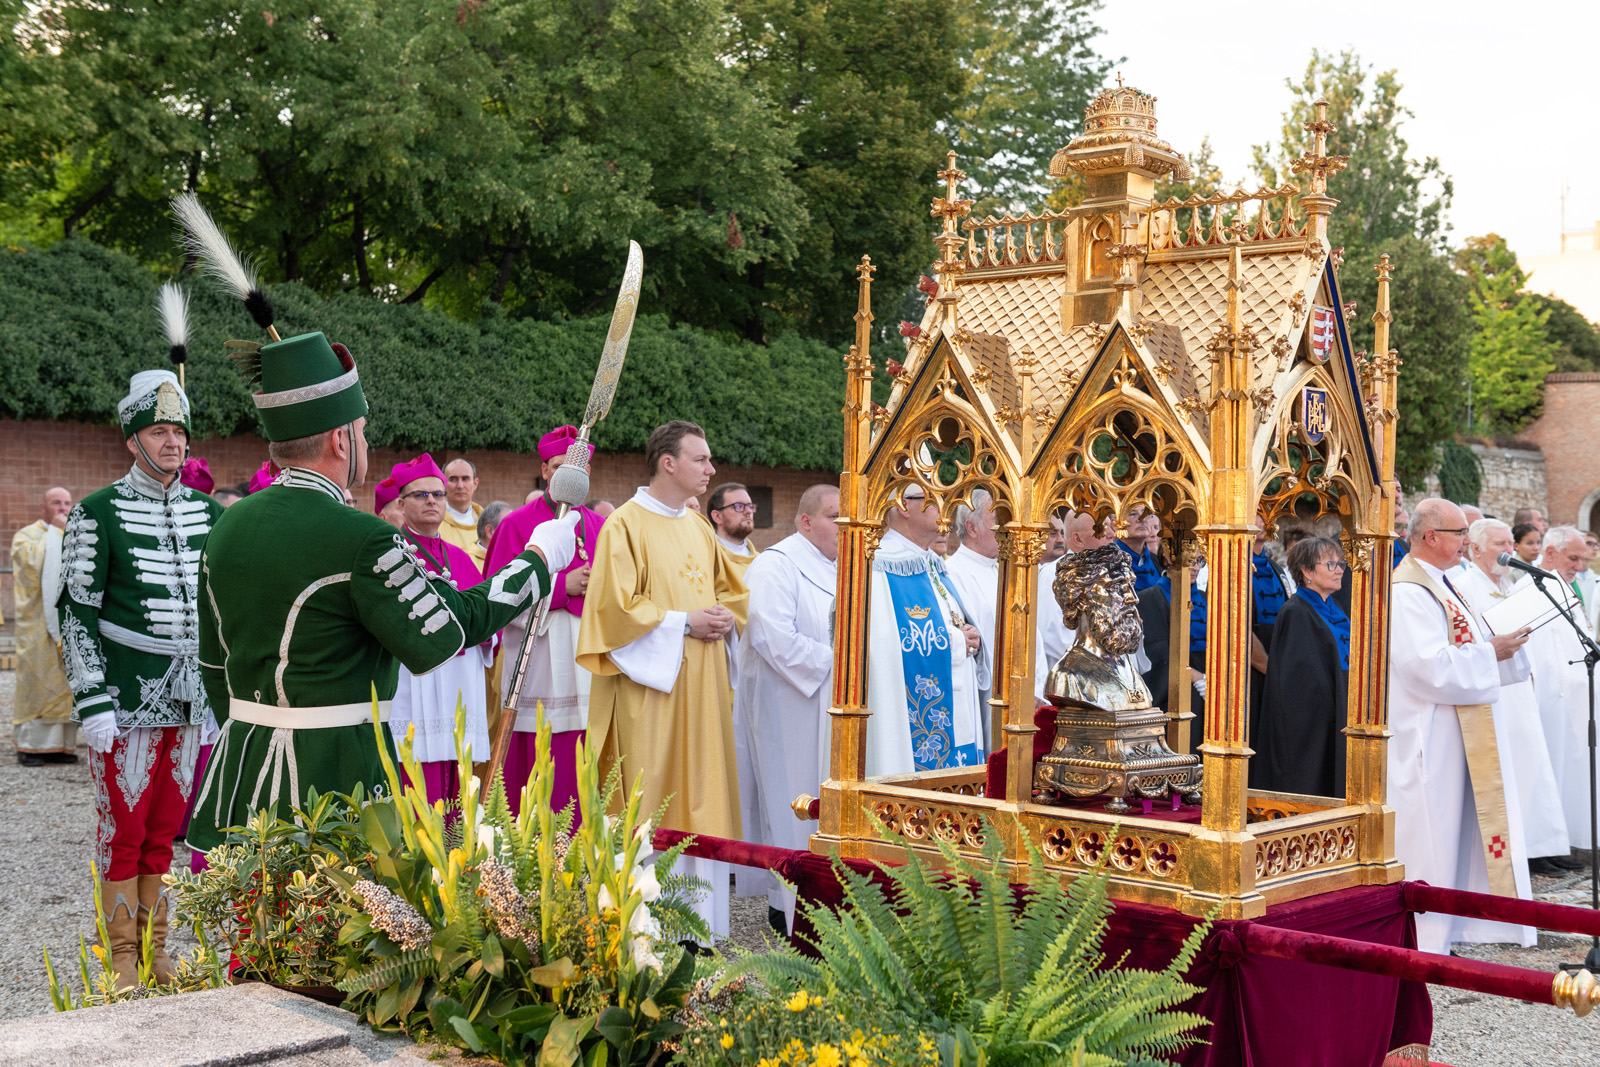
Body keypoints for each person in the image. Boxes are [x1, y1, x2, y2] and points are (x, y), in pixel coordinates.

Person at [192, 330, 577, 865]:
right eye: (364, 433)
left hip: (243, 764)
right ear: (340, 441)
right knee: (334, 934)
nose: (367, 446)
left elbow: (213, 661)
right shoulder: (363, 536)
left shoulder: (227, 525)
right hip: (337, 776)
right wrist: (539, 559)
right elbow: (445, 632)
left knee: (256, 935)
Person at [60, 370, 224, 987]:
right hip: (124, 699)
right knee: (122, 829)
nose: (173, 443)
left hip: (189, 700)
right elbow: (76, 612)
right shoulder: (96, 512)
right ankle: (120, 958)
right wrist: (92, 697)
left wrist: (217, 689)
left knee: (164, 831)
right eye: (159, 432)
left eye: (179, 432)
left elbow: (217, 610)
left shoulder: (209, 512)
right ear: (133, 439)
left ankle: (157, 950)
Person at [577, 420, 748, 944]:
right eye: (701, 460)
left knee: (704, 790)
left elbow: (731, 591)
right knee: (654, 792)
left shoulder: (699, 527)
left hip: (703, 688)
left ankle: (701, 928)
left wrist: (723, 617)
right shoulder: (625, 526)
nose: (711, 470)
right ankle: (646, 928)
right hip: (651, 691)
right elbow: (614, 610)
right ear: (668, 463)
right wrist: (684, 623)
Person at [1388, 498, 1535, 955]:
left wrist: (1502, 649)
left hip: (1458, 729)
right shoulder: (1409, 591)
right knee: (1434, 832)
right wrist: (1491, 654)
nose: (1465, 544)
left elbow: (1472, 641)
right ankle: (1426, 936)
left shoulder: (1447, 584)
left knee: (1459, 829)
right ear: (1430, 537)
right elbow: (1426, 667)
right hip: (1427, 734)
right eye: (1458, 534)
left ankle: (1454, 927)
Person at [733, 483, 839, 934]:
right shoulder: (776, 565)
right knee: (787, 799)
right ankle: (784, 905)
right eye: (835, 515)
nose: (846, 525)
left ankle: (825, 897)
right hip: (785, 706)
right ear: (806, 521)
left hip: (832, 705)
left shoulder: (845, 569)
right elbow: (768, 633)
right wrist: (841, 663)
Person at [485, 426, 606, 816]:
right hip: (536, 658)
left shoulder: (602, 526)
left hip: (587, 659)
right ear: (545, 470)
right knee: (537, 758)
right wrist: (560, 588)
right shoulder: (516, 524)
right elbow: (496, 599)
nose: (572, 477)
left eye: (581, 470)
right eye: (560, 467)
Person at [1456, 519, 1571, 874]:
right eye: (1499, 543)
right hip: (1494, 690)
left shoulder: (1513, 584)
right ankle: (1521, 850)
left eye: (1510, 542)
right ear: (1475, 548)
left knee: (1532, 762)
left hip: (1521, 686)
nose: (1508, 549)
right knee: (1509, 770)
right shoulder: (1463, 587)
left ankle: (1543, 845)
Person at [384, 454, 494, 802]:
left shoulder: (460, 558)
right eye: (421, 495)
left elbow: (486, 619)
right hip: (413, 682)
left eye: (438, 494)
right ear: (401, 504)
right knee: (417, 777)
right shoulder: (389, 553)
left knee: (457, 781)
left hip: (458, 682)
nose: (432, 500)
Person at [864, 486, 985, 776]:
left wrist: (969, 633)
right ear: (904, 507)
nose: (945, 508)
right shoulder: (879, 564)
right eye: (936, 500)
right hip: (906, 729)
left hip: (958, 709)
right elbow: (881, 645)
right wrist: (957, 641)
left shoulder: (932, 562)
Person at [1525, 525, 1597, 864]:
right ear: (1550, 552)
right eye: (1573, 557)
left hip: (1577, 700)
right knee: (1552, 771)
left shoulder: (1563, 588)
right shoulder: (1529, 589)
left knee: (1576, 771)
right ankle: (1551, 845)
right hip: (1549, 702)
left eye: (1582, 558)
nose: (1579, 566)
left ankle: (1574, 839)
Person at [1256, 537, 1349, 796]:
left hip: (1343, 708)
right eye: (1330, 564)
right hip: (1314, 723)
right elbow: (1299, 679)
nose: (1340, 569)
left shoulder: (1336, 607)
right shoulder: (1295, 612)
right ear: (1307, 571)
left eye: (1340, 563)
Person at [11, 487, 76, 765]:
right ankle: (30, 746)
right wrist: (57, 533)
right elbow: (31, 565)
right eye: (56, 503)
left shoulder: (74, 533)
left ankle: (62, 747)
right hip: (37, 628)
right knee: (38, 683)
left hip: (67, 623)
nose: (62, 508)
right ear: (43, 508)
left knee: (65, 685)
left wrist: (68, 532)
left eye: (67, 503)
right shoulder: (27, 536)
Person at [942, 489, 1000, 726]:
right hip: (984, 697)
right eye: (997, 519)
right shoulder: (953, 573)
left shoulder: (1005, 570)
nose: (1007, 528)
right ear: (972, 528)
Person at [441, 458, 485, 565]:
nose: (460, 486)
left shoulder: (487, 523)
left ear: (475, 484)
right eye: (453, 479)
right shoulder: (433, 522)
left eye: (465, 479)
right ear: (443, 484)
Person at [1114, 507, 1162, 591]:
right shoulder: (1107, 564)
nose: (1142, 519)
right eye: (1133, 514)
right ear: (1116, 523)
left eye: (1146, 513)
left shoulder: (1159, 562)